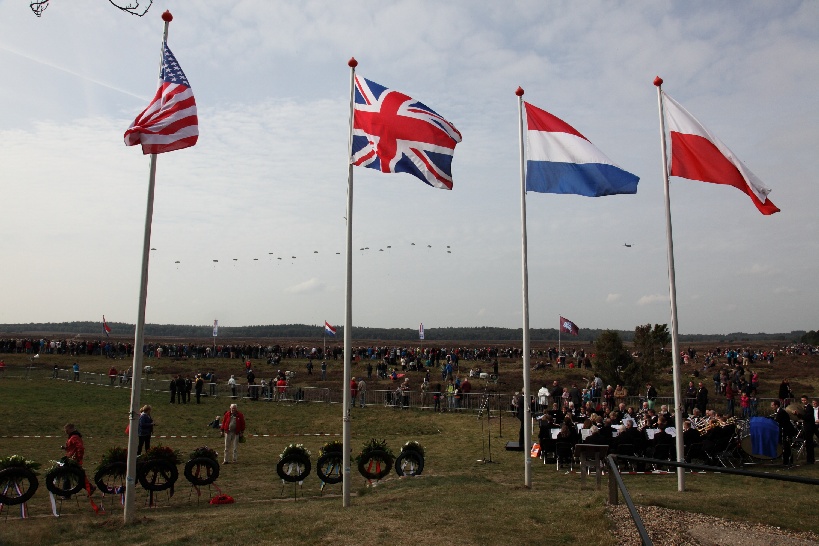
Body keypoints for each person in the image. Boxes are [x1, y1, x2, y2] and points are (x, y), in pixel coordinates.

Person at [771, 399, 796, 466]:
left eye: (773, 405)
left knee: (787, 446)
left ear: (776, 405)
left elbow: (776, 421)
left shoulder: (781, 412)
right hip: (784, 430)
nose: (772, 406)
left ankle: (788, 461)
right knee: (785, 446)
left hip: (787, 431)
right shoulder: (778, 412)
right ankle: (786, 461)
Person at [802, 395, 815, 465]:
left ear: (807, 400)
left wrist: (799, 415)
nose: (803, 402)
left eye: (804, 400)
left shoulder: (809, 408)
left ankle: (810, 459)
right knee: (808, 443)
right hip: (807, 427)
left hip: (810, 428)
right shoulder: (805, 407)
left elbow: (806, 417)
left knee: (809, 444)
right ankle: (809, 459)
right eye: (802, 400)